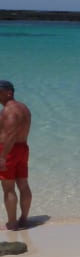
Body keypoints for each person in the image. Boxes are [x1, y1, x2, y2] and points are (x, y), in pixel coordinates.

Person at [0, 80, 32, 230]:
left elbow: (10, 134)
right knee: (23, 184)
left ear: (9, 92)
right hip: (23, 148)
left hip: (9, 150)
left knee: (8, 188)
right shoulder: (24, 108)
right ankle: (24, 219)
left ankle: (12, 224)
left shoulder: (9, 110)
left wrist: (2, 156)